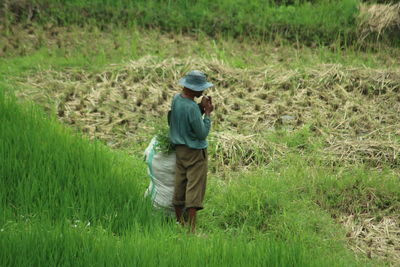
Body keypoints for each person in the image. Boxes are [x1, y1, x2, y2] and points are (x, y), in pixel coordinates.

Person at [168, 70, 214, 233]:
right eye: (201, 88)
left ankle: (179, 222)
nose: (203, 91)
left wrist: (199, 108)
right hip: (195, 152)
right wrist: (206, 114)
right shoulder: (192, 108)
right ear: (193, 89)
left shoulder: (176, 100)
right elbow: (201, 133)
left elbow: (178, 120)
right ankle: (192, 229)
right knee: (194, 186)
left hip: (180, 150)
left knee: (180, 183)